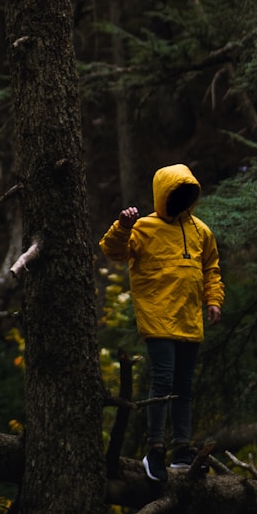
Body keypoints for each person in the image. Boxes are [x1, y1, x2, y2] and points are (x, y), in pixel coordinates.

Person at [99, 163, 225, 482]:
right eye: (175, 194)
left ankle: (182, 450)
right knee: (163, 383)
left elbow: (211, 268)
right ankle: (154, 450)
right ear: (162, 195)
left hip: (189, 322)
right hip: (157, 320)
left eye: (186, 194)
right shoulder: (143, 228)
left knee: (183, 388)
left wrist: (213, 300)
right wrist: (123, 226)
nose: (180, 200)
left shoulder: (201, 231)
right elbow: (112, 251)